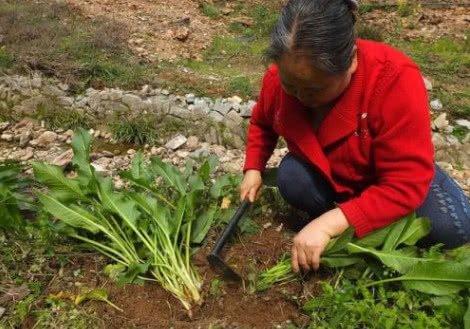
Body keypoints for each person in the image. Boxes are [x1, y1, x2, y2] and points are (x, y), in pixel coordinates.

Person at [239, 0, 470, 273]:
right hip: (334, 177)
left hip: (389, 178)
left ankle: (360, 215)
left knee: (455, 231)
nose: (300, 96)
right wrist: (253, 167)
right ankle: (354, 217)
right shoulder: (280, 78)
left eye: (314, 90)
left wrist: (328, 224)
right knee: (292, 178)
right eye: (291, 86)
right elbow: (263, 123)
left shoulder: (394, 79)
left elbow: (404, 183)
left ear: (351, 61)